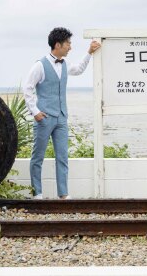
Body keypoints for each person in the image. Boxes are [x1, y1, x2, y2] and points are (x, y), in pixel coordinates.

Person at [23, 27, 101, 199]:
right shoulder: (40, 65)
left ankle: (63, 195)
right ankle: (37, 193)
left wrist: (89, 52)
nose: (70, 47)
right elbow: (27, 89)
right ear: (58, 45)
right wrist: (35, 112)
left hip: (61, 118)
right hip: (44, 118)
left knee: (63, 157)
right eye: (68, 44)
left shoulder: (65, 64)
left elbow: (79, 69)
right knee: (38, 157)